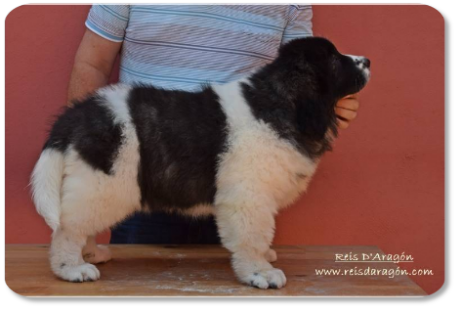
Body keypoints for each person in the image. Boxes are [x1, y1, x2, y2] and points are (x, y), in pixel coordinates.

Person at [68, 4, 360, 245]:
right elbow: (92, 64)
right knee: (138, 289)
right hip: (143, 176)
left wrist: (329, 108)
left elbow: (301, 79)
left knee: (239, 286)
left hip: (244, 179)